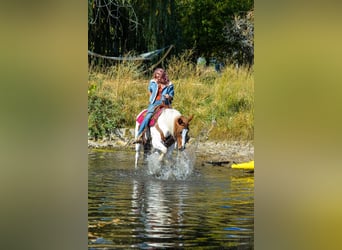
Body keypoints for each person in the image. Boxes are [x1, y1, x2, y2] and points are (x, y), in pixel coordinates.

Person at [133, 68, 174, 143]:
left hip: (165, 104)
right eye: (156, 76)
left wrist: (169, 96)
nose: (158, 78)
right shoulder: (153, 82)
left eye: (160, 76)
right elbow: (150, 90)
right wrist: (151, 98)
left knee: (174, 116)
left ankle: (178, 136)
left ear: (163, 76)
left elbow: (172, 95)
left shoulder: (169, 84)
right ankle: (139, 135)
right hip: (154, 103)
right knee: (148, 116)